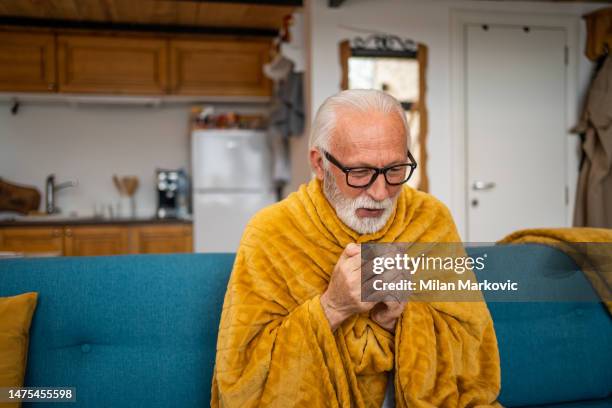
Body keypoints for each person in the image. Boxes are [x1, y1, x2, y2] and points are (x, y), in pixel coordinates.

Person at [211, 89, 500, 407]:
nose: (380, 193)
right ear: (319, 165)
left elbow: (475, 349)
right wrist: (333, 307)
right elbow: (241, 381)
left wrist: (395, 319)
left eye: (395, 170)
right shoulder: (272, 232)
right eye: (359, 173)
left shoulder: (429, 219)